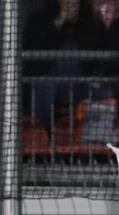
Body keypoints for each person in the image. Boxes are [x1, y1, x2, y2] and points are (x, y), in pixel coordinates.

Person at [23, 0, 108, 132]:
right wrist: (60, 20)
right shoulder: (38, 18)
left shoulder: (92, 22)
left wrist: (97, 77)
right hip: (48, 81)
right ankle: (42, 141)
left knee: (105, 92)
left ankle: (92, 145)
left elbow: (102, 57)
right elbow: (33, 54)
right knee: (44, 87)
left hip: (81, 85)